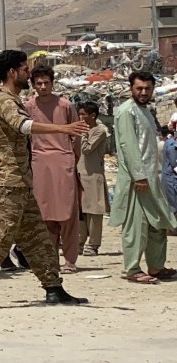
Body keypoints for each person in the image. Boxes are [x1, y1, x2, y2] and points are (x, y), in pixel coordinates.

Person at [0, 49, 88, 310]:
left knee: (38, 240)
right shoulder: (4, 102)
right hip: (8, 187)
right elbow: (23, 127)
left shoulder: (13, 99)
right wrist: (62, 129)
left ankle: (54, 288)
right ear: (12, 72)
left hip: (21, 185)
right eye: (24, 69)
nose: (28, 73)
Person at [109, 71, 177, 284]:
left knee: (157, 224)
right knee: (136, 225)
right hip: (137, 180)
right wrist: (138, 176)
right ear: (131, 88)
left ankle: (156, 266)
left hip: (151, 177)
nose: (143, 92)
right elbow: (128, 146)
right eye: (139, 88)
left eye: (147, 88)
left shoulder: (145, 111)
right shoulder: (125, 111)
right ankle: (132, 269)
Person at [24, 66, 82, 273]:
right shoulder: (28, 106)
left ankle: (70, 260)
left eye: (46, 82)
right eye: (38, 83)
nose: (42, 87)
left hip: (63, 161)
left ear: (52, 83)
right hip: (39, 164)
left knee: (67, 214)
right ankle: (49, 260)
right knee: (44, 214)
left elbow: (77, 134)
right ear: (33, 85)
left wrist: (73, 158)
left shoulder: (65, 105)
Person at [75, 102, 111, 256]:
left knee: (95, 212)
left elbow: (87, 148)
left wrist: (83, 133)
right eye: (80, 114)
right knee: (81, 212)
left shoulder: (99, 131)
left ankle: (94, 244)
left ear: (93, 116)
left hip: (94, 175)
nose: (81, 117)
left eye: (84, 114)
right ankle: (79, 243)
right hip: (80, 174)